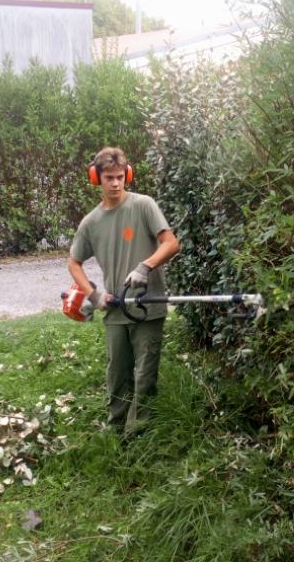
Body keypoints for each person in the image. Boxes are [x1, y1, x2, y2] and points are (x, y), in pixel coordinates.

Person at [68, 147, 180, 436]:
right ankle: (116, 431)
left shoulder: (144, 205)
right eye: (109, 178)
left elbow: (170, 243)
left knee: (144, 376)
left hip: (147, 306)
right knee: (117, 375)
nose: (116, 183)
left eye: (120, 177)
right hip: (116, 310)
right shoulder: (91, 222)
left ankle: (139, 435)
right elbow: (74, 262)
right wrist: (93, 295)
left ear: (127, 175)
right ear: (97, 178)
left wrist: (146, 266)